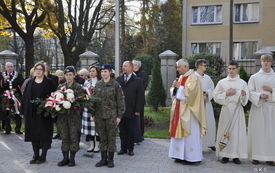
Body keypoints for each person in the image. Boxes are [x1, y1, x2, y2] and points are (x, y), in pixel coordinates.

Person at [168, 59, 207, 164]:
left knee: (190, 134)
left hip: (190, 111)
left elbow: (191, 94)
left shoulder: (193, 78)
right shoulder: (181, 77)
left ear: (185, 66)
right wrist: (174, 89)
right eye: (177, 67)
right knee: (178, 132)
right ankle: (179, 155)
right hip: (179, 109)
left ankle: (191, 157)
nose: (177, 69)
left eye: (179, 67)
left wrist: (179, 87)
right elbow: (175, 91)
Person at [20, 62, 56, 164]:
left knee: (44, 134)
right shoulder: (30, 82)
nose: (38, 71)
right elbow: (24, 97)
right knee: (33, 134)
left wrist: (53, 111)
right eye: (37, 69)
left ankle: (43, 156)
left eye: (40, 69)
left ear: (44, 71)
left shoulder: (49, 82)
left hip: (45, 113)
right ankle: (36, 155)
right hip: (31, 112)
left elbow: (55, 97)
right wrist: (22, 110)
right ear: (34, 70)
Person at [213, 60, 248, 164]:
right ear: (227, 69)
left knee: (237, 132)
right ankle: (225, 155)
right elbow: (215, 96)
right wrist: (226, 94)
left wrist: (244, 95)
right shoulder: (222, 82)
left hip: (237, 109)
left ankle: (236, 156)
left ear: (237, 69)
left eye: (233, 68)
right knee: (225, 131)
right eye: (230, 68)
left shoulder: (242, 83)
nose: (231, 70)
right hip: (226, 109)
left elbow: (246, 99)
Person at [92, 64, 125, 168]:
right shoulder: (98, 85)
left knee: (111, 138)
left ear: (110, 72)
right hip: (100, 115)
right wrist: (93, 113)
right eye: (102, 72)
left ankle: (110, 159)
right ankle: (103, 159)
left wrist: (119, 116)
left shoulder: (115, 85)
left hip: (111, 116)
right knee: (102, 137)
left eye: (105, 71)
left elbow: (120, 101)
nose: (103, 73)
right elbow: (94, 100)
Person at [247, 54, 275, 166]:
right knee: (258, 132)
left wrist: (272, 90)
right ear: (261, 62)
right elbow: (249, 92)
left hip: (271, 109)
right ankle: (256, 156)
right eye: (264, 61)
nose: (266, 63)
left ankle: (270, 157)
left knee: (270, 133)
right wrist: (259, 95)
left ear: (271, 63)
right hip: (258, 108)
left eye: (268, 61)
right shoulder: (254, 77)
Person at [56, 66, 84, 167]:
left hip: (74, 117)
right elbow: (56, 100)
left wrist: (74, 104)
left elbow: (82, 102)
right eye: (67, 75)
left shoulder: (78, 87)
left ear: (74, 75)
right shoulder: (61, 87)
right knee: (64, 137)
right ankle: (65, 158)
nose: (68, 77)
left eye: (70, 75)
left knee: (73, 137)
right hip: (63, 117)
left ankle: (72, 158)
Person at [116, 61, 143, 156]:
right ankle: (123, 148)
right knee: (122, 130)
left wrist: (137, 110)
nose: (123, 68)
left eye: (125, 66)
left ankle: (130, 148)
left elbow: (140, 97)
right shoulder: (118, 79)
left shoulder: (137, 80)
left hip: (131, 109)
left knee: (130, 130)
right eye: (122, 66)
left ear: (131, 68)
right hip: (120, 109)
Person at [194, 59, 216, 151]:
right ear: (199, 66)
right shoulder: (193, 77)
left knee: (209, 123)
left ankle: (210, 143)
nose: (206, 67)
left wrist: (207, 93)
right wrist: (200, 95)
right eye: (204, 65)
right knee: (197, 124)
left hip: (206, 103)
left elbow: (212, 89)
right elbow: (190, 90)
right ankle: (198, 144)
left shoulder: (207, 78)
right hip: (196, 105)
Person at [81, 66, 101, 153]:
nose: (91, 73)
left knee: (97, 127)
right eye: (90, 71)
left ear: (97, 72)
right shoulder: (87, 83)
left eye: (93, 71)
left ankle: (97, 144)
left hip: (98, 108)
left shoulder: (100, 82)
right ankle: (91, 144)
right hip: (88, 108)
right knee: (90, 127)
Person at [1, 62, 24, 134]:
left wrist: (16, 88)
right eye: (8, 66)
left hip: (16, 95)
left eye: (11, 66)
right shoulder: (2, 75)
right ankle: (7, 128)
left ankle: (18, 129)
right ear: (5, 68)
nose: (10, 68)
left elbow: (22, 84)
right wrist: (4, 80)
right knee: (6, 111)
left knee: (17, 111)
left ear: (13, 67)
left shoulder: (18, 75)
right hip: (6, 95)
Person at [132, 60, 149, 142]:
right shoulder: (129, 74)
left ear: (138, 66)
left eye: (134, 65)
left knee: (140, 117)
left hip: (139, 99)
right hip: (130, 100)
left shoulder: (144, 74)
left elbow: (143, 86)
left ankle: (140, 134)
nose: (133, 66)